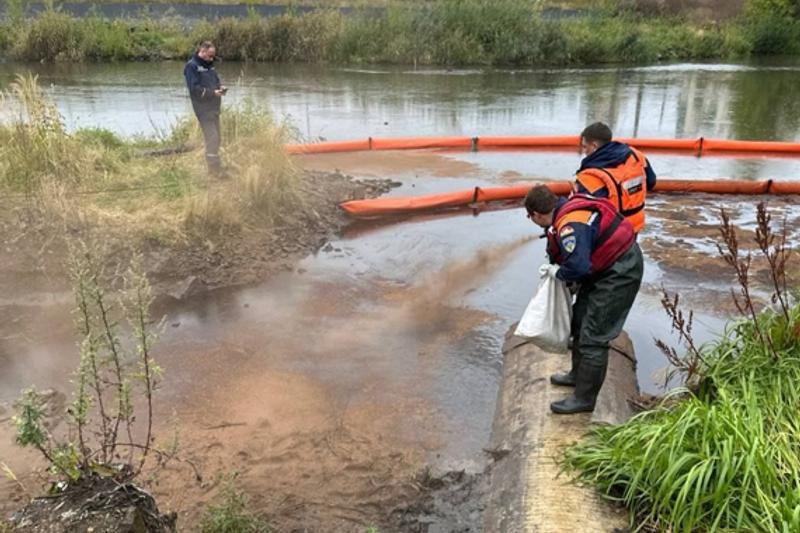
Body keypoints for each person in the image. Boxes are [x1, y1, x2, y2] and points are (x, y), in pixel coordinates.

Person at [525, 184, 643, 414]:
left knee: (594, 335)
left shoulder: (570, 226)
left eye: (530, 217)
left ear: (536, 214)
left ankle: (584, 400)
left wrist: (558, 273)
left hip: (619, 271)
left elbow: (578, 267)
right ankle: (577, 376)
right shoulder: (566, 211)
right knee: (579, 320)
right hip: (605, 267)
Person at [574, 122, 657, 233]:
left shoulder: (591, 175)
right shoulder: (636, 155)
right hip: (636, 223)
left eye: (585, 147)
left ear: (594, 146)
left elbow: (583, 210)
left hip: (613, 231)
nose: (584, 152)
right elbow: (651, 182)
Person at [184, 41, 227, 176]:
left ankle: (215, 167)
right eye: (210, 55)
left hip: (214, 108)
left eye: (213, 56)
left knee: (217, 137)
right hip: (203, 109)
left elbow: (215, 81)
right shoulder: (191, 66)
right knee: (212, 137)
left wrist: (220, 88)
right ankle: (214, 170)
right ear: (202, 51)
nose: (212, 58)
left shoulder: (210, 65)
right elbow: (194, 89)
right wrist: (212, 93)